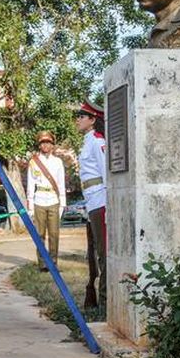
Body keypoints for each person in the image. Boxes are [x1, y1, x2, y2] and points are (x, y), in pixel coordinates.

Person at [76, 100, 107, 310]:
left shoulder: (97, 141)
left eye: (81, 116)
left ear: (93, 119)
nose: (77, 120)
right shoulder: (87, 141)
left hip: (100, 199)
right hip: (91, 199)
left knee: (103, 252)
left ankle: (105, 300)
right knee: (93, 251)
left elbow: (106, 174)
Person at [26, 130, 66, 271]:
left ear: (52, 144)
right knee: (40, 234)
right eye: (43, 142)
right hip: (39, 200)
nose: (45, 145)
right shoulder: (34, 162)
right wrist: (30, 206)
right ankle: (42, 264)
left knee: (54, 234)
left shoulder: (58, 162)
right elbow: (30, 185)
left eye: (48, 142)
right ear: (39, 145)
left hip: (54, 200)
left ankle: (53, 263)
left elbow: (61, 184)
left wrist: (63, 204)